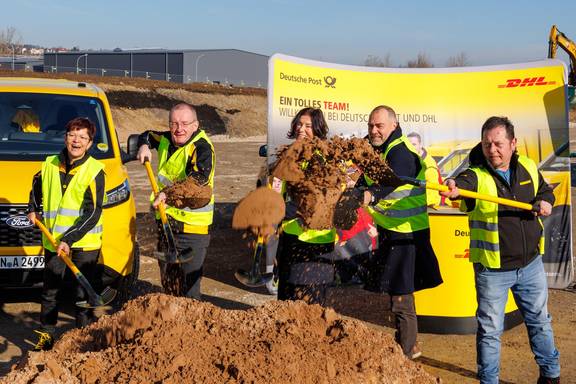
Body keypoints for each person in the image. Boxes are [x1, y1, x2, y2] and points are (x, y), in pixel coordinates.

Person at [442, 116, 560, 384]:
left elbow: (545, 190)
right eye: (486, 145)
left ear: (513, 143)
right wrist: (454, 188)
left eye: (498, 144)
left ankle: (551, 375)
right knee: (490, 331)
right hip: (493, 271)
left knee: (540, 322)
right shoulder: (476, 176)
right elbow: (462, 184)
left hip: (530, 265)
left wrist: (545, 200)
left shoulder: (529, 166)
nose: (492, 150)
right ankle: (489, 380)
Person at [355, 105, 442, 359]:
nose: (374, 130)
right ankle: (407, 343)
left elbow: (393, 180)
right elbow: (367, 177)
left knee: (401, 295)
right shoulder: (377, 148)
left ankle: (407, 350)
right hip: (391, 231)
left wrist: (369, 195)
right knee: (397, 291)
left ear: (393, 125)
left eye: (379, 126)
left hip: (407, 235)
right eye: (371, 125)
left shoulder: (401, 151)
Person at [28, 117, 105, 351]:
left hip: (85, 244)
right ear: (65, 137)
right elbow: (35, 189)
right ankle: (47, 337)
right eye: (72, 135)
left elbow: (93, 212)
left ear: (90, 143)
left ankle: (84, 340)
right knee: (50, 293)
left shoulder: (95, 171)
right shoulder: (49, 163)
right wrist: (33, 209)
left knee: (82, 297)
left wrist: (69, 239)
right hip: (53, 243)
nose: (76, 140)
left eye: (83, 137)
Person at [137, 103, 214, 300]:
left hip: (192, 230)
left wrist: (166, 194)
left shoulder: (202, 147)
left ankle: (190, 328)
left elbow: (198, 179)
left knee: (189, 289)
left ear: (195, 125)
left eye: (185, 123)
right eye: (174, 123)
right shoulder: (164, 139)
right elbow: (146, 135)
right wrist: (144, 146)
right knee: (170, 283)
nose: (179, 129)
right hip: (166, 223)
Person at [274, 107, 336, 306]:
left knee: (310, 301)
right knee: (286, 295)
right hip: (290, 236)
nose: (302, 129)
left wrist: (281, 211)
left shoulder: (324, 158)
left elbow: (317, 201)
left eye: (308, 126)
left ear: (318, 129)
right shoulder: (290, 155)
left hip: (315, 242)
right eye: (299, 124)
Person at [407, 132, 443, 206]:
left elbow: (432, 194)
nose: (411, 147)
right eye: (408, 145)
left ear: (420, 145)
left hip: (428, 207)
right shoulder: (412, 159)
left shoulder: (429, 165)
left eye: (414, 144)